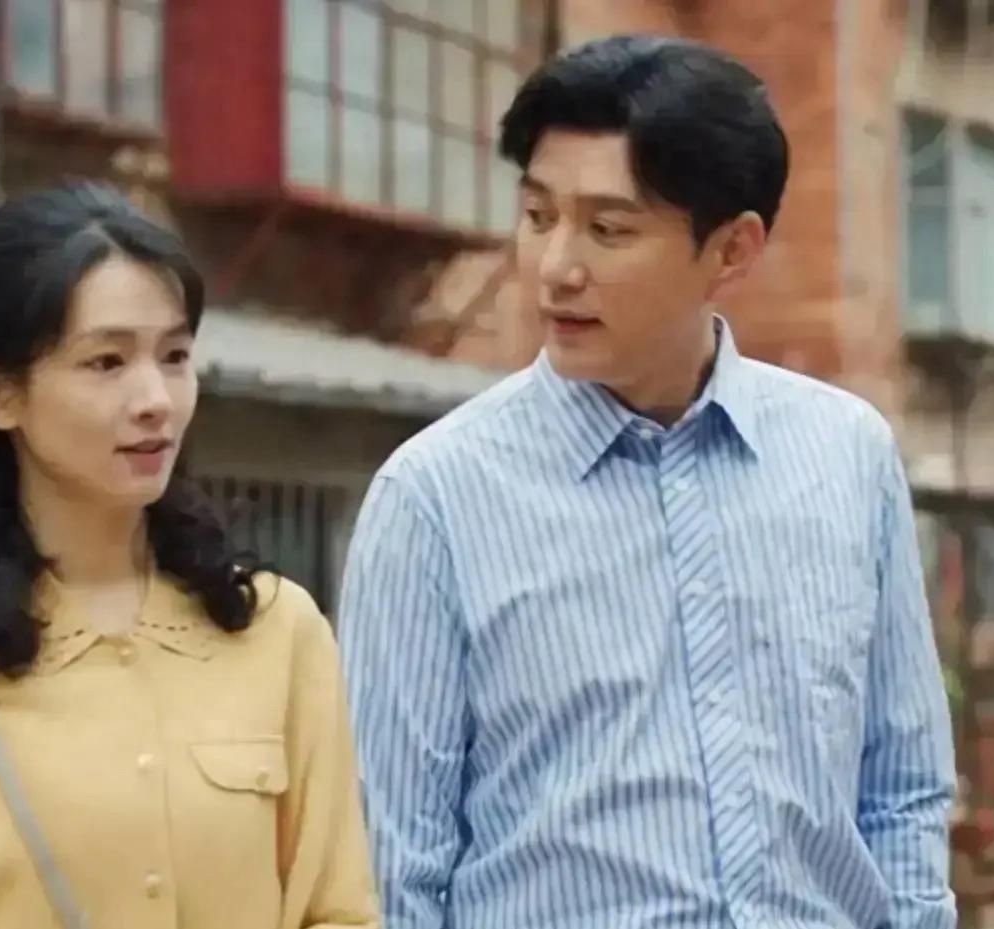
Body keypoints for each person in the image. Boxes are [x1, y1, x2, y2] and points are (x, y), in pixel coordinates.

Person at [337, 34, 956, 929]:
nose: (556, 266)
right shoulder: (433, 499)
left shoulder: (846, 456)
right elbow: (393, 861)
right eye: (537, 215)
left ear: (731, 250)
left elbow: (902, 789)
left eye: (608, 229)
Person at [0, 182, 377, 929]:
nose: (155, 398)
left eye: (174, 356)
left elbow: (338, 910)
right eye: (105, 362)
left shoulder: (276, 630)